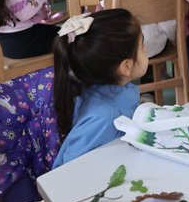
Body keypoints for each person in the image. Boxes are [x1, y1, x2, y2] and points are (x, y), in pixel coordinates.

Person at [52, 10, 147, 168]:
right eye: (142, 46)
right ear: (126, 66)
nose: (146, 50)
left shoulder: (110, 89)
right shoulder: (103, 117)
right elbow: (67, 170)